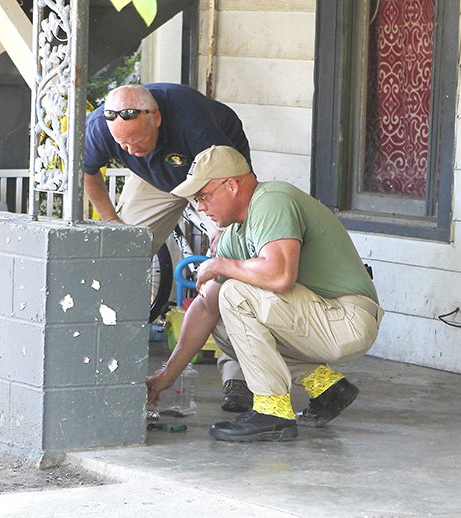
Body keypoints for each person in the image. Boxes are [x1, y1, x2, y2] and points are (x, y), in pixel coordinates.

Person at [146, 145, 384, 442]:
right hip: (319, 319)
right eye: (196, 201)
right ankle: (325, 387)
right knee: (221, 322)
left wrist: (220, 263)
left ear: (231, 185)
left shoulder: (272, 201)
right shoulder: (236, 233)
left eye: (203, 197)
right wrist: (166, 376)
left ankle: (272, 411)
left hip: (347, 318)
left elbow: (280, 275)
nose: (201, 209)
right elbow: (207, 307)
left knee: (234, 293)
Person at [84, 83, 252, 413]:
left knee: (232, 269)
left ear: (156, 118)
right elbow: (88, 172)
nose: (130, 150)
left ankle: (239, 376)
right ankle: (109, 362)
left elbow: (228, 181)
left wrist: (222, 230)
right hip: (153, 178)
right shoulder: (100, 128)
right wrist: (113, 221)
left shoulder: (192, 118)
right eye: (122, 144)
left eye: (137, 141)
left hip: (212, 172)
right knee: (121, 256)